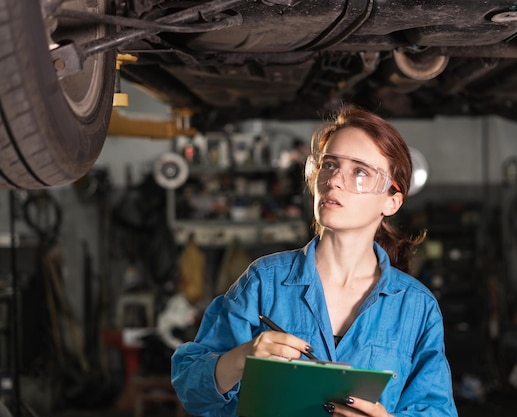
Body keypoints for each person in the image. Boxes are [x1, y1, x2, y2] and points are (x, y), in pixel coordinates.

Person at [171, 105, 458, 417]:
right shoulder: (265, 283)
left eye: (359, 172)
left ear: (392, 200)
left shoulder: (416, 307)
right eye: (330, 165)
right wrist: (241, 357)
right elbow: (190, 389)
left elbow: (436, 409)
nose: (334, 181)